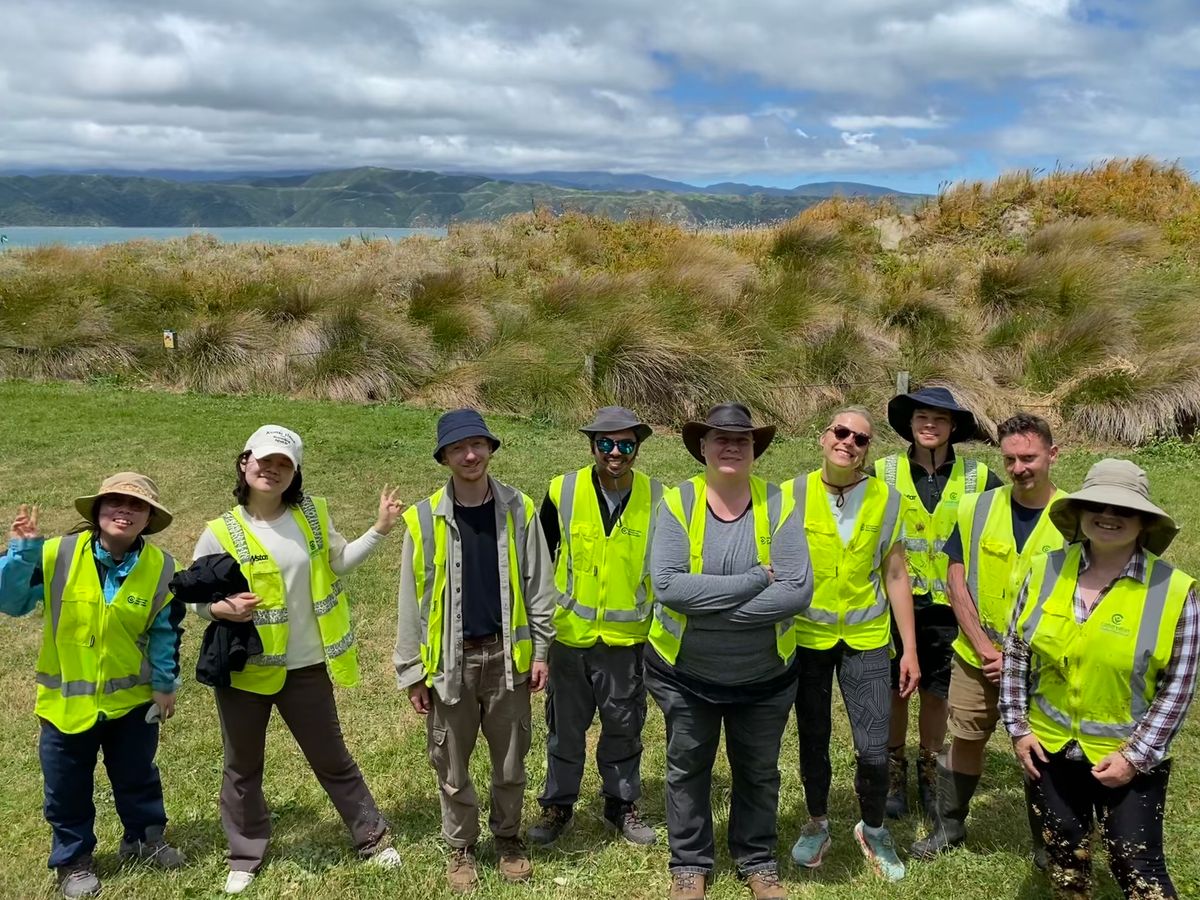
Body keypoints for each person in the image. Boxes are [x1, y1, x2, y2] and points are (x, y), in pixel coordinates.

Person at [191, 425, 404, 895]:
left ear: (294, 472)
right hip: (246, 670)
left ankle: (372, 837)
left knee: (331, 758)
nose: (271, 470)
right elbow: (195, 598)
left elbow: (339, 562)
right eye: (264, 461)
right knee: (242, 766)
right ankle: (245, 855)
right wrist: (221, 608)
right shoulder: (219, 532)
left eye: (283, 464)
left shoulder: (311, 514)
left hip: (305, 668)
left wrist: (379, 530)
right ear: (244, 463)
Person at [1002, 459, 1197, 899]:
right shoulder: (1044, 569)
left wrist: (1135, 756)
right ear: (1081, 511)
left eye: (1123, 510)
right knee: (1065, 855)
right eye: (1097, 505)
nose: (1109, 516)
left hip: (1128, 754)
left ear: (1143, 521)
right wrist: (1018, 728)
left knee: (1137, 865)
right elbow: (1016, 650)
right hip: (1048, 747)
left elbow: (1178, 686)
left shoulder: (1174, 590)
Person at [646, 402, 813, 900]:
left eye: (742, 440)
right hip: (686, 674)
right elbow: (669, 587)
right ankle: (690, 864)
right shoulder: (677, 504)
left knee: (759, 771)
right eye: (720, 438)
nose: (731, 446)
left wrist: (714, 610)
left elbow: (798, 589)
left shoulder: (779, 503)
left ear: (755, 451)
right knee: (687, 765)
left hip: (765, 676)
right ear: (702, 447)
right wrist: (754, 578)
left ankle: (757, 860)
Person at [394, 408, 558, 894]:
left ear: (489, 449)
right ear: (445, 457)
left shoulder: (519, 508)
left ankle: (508, 838)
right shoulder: (423, 519)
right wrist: (411, 672)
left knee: (511, 761)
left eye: (478, 445)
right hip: (450, 663)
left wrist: (542, 649)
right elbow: (411, 601)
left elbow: (540, 585)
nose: (470, 455)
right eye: (459, 448)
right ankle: (461, 846)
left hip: (509, 660)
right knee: (452, 762)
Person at [0, 475, 185, 899]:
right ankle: (73, 860)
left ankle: (143, 840)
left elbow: (165, 632)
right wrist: (20, 552)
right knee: (67, 788)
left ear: (149, 519)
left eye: (135, 506)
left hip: (133, 704)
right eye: (114, 502)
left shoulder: (162, 568)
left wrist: (164, 684)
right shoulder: (55, 554)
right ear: (97, 511)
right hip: (66, 706)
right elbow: (9, 602)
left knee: (138, 777)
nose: (124, 510)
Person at [911, 413, 1065, 864]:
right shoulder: (977, 508)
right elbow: (956, 582)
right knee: (966, 737)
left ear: (1052, 455)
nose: (1019, 468)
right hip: (976, 656)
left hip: (1044, 662)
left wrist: (1021, 657)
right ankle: (950, 827)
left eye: (1030, 458)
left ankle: (1046, 843)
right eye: (1011, 458)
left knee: (1042, 749)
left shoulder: (1075, 517)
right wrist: (983, 647)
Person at [786, 407, 918, 883]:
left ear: (867, 451)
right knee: (813, 735)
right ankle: (817, 821)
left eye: (860, 439)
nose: (849, 443)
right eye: (841, 433)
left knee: (874, 745)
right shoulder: (791, 494)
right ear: (824, 438)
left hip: (865, 638)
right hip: (808, 637)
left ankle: (874, 827)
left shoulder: (887, 498)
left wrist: (910, 650)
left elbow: (896, 573)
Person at [529, 407, 660, 847]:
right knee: (565, 728)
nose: (616, 452)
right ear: (592, 446)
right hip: (568, 637)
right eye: (606, 443)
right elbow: (539, 561)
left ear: (637, 448)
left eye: (626, 444)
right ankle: (557, 805)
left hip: (627, 641)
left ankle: (620, 804)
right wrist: (538, 636)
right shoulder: (561, 490)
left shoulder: (660, 498)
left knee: (624, 725)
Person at [875, 387, 1000, 819]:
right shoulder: (881, 472)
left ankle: (930, 769)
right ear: (910, 424)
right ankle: (894, 770)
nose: (929, 425)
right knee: (895, 689)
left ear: (953, 428)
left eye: (940, 419)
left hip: (952, 609)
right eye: (922, 417)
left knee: (936, 692)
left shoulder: (979, 478)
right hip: (894, 605)